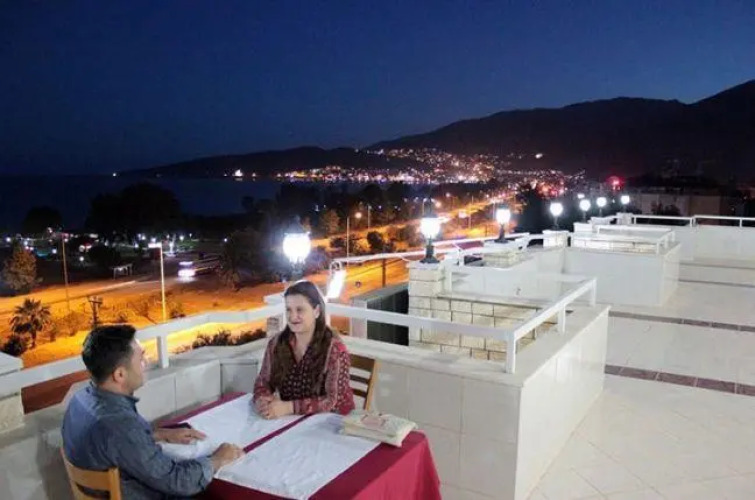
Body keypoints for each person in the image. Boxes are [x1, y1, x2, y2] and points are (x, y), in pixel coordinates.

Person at [61, 325, 244, 499]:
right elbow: (176, 481)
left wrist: (160, 434)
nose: (146, 363)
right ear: (120, 375)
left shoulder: (80, 400)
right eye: (141, 358)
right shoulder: (119, 425)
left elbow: (116, 445)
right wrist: (216, 460)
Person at [253, 280, 355, 418]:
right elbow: (263, 382)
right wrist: (262, 400)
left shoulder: (335, 350)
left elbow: (333, 401)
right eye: (289, 310)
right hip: (292, 420)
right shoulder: (277, 344)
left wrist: (289, 407)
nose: (292, 317)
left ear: (317, 311)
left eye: (299, 310)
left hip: (334, 422)